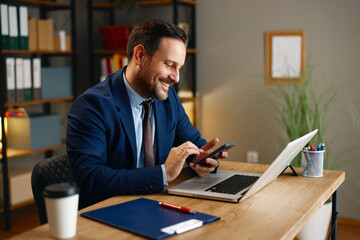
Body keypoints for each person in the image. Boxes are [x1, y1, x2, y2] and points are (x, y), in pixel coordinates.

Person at [66, 19, 228, 209]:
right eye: (169, 65)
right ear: (140, 55)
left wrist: (206, 160)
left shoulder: (168, 98)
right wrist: (163, 173)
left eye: (179, 68)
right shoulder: (92, 105)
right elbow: (90, 178)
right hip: (106, 211)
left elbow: (193, 141)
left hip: (154, 203)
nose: (176, 78)